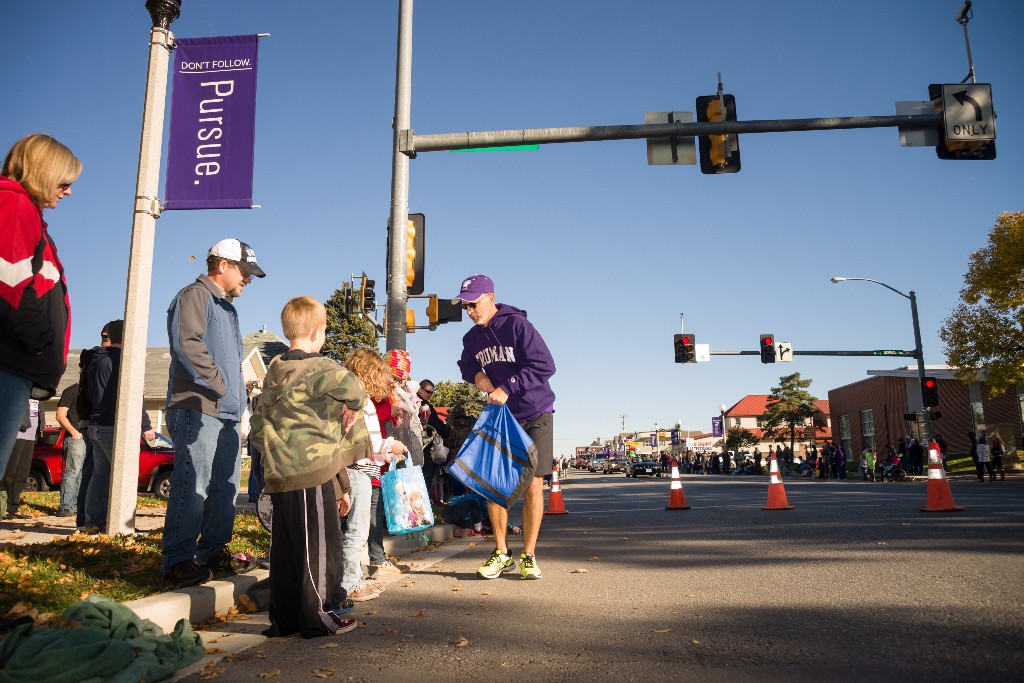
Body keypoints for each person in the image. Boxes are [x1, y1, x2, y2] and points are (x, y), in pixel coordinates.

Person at [248, 296, 368, 638]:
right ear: (318, 330)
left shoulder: (274, 370)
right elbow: (356, 389)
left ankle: (283, 620)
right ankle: (319, 616)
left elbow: (258, 423)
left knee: (285, 549)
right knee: (319, 547)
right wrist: (353, 407)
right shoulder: (323, 367)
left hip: (278, 472)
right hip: (310, 470)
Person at [161, 238, 266, 588]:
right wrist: (221, 384)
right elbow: (186, 345)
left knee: (225, 486)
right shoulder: (195, 296)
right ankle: (178, 560)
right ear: (222, 265)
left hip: (228, 415)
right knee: (194, 484)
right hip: (197, 407)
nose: (248, 280)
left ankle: (212, 552)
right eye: (245, 271)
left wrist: (240, 401)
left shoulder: (227, 308)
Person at [453, 274, 556, 581]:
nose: (470, 311)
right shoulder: (471, 339)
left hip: (536, 411)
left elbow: (545, 365)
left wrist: (509, 386)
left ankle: (529, 555)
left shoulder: (518, 326)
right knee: (493, 483)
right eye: (465, 306)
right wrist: (477, 378)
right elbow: (466, 365)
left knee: (534, 483)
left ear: (490, 298)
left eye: (474, 304)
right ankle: (501, 553)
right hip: (502, 416)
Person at [0, 134, 80, 514]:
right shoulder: (14, 206)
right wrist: (38, 342)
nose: (67, 192)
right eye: (64, 182)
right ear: (42, 173)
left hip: (15, 363)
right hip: (8, 362)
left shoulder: (25, 212)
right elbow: (8, 283)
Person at [340, 348, 409, 602]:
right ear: (371, 373)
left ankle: (349, 580)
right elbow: (367, 441)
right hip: (358, 472)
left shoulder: (350, 397)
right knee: (356, 532)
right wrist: (390, 446)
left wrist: (385, 453)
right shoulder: (362, 402)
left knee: (350, 530)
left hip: (358, 468)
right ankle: (350, 584)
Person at [80, 320, 156, 532]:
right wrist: (146, 425)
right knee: (124, 477)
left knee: (99, 475)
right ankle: (121, 525)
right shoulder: (123, 361)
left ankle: (93, 522)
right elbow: (131, 398)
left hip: (96, 424)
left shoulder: (95, 359)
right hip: (115, 425)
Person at [2, 399, 42, 519]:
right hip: (16, 435)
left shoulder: (38, 395)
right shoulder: (21, 389)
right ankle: (4, 506)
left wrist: (41, 427)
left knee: (22, 473)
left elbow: (39, 412)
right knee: (10, 472)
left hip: (30, 437)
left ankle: (14, 508)